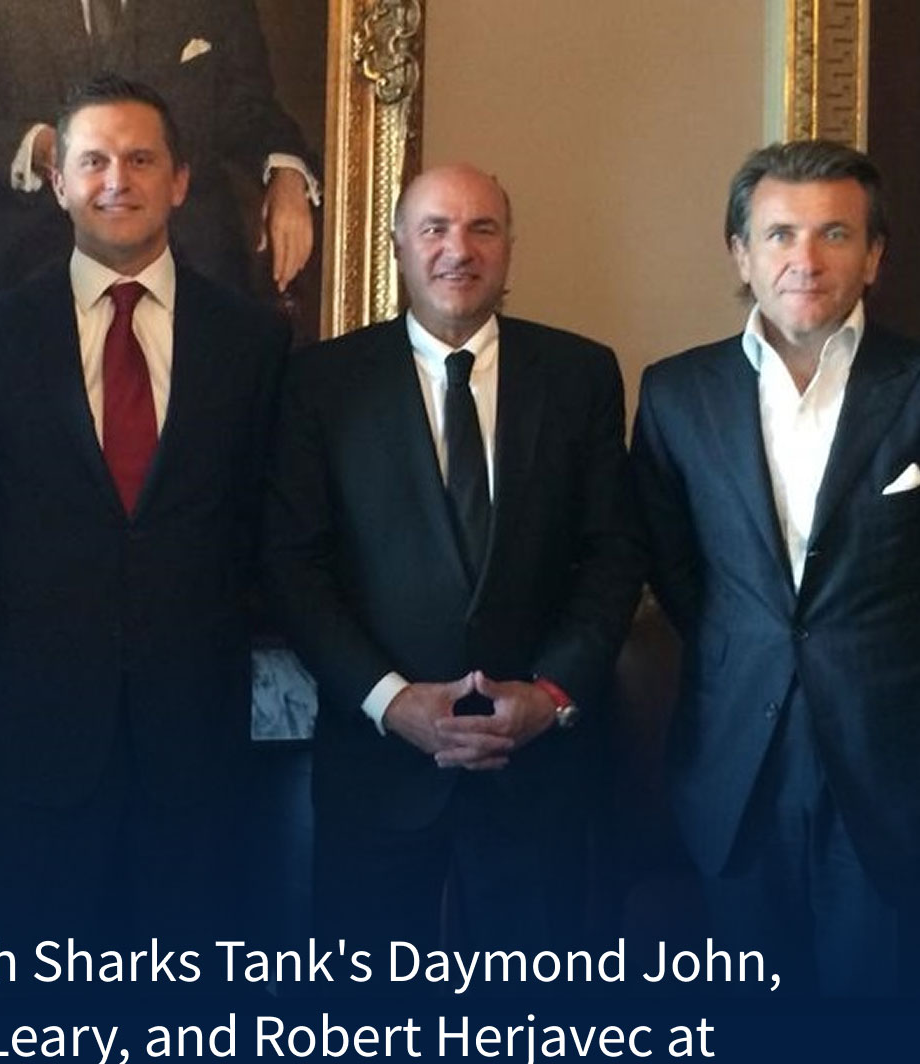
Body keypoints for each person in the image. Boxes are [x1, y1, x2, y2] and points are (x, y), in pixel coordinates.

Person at [0, 75, 290, 946]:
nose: (116, 180)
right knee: (45, 1001)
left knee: (187, 996)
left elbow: (270, 519)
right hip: (37, 748)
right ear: (58, 182)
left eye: (140, 159)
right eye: (93, 161)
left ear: (181, 180)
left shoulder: (251, 340)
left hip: (197, 747)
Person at [264, 164, 645, 950]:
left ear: (509, 248)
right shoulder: (321, 383)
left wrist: (550, 695)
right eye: (434, 228)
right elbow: (294, 565)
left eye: (482, 228)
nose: (458, 249)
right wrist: (390, 700)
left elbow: (613, 555)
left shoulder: (579, 375)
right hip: (377, 767)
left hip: (537, 771)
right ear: (399, 246)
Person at [632, 140, 920, 997]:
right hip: (735, 762)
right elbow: (672, 563)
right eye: (780, 234)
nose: (805, 258)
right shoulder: (675, 394)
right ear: (741, 254)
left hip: (891, 766)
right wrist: (748, 643)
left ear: (874, 255)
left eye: (835, 233)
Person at [0, 0, 318, 306]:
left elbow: (251, 109)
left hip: (188, 256)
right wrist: (37, 146)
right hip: (32, 250)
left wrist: (287, 174)